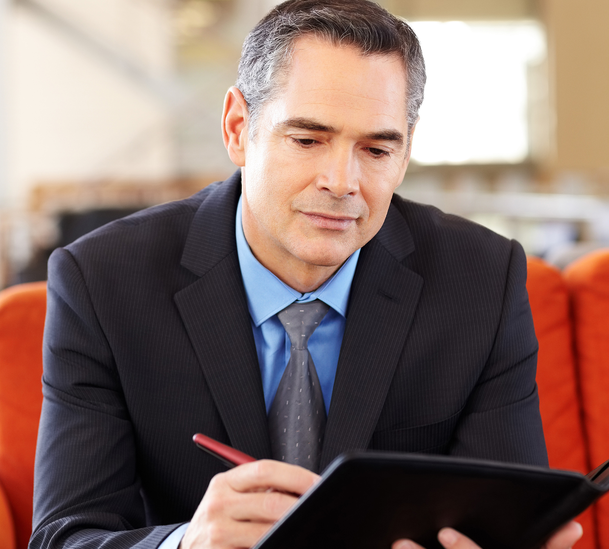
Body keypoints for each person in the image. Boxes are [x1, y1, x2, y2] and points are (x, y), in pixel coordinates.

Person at [29, 1, 584, 548]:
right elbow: (64, 536)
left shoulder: (481, 281)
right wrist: (185, 545)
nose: (342, 181)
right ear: (237, 127)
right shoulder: (101, 281)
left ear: (406, 152)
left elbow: (503, 516)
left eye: (375, 148)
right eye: (307, 139)